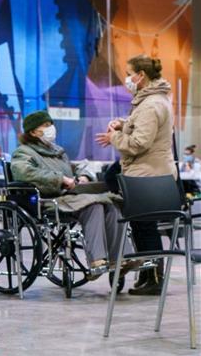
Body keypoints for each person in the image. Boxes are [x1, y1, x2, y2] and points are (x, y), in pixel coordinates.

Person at [15, 110, 138, 280]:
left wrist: (84, 175)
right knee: (93, 205)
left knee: (110, 203)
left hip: (70, 197)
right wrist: (60, 179)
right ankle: (97, 261)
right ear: (33, 132)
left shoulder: (57, 151)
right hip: (48, 200)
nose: (51, 128)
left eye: (51, 124)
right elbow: (24, 172)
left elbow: (74, 167)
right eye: (46, 125)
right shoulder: (23, 152)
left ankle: (120, 258)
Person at [95, 55, 174, 295]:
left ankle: (154, 278)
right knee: (142, 226)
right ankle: (148, 275)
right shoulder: (152, 99)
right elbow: (142, 127)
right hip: (147, 171)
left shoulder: (150, 104)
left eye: (129, 73)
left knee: (144, 226)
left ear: (141, 75)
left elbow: (140, 143)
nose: (127, 78)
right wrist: (124, 124)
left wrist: (114, 137)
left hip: (146, 173)